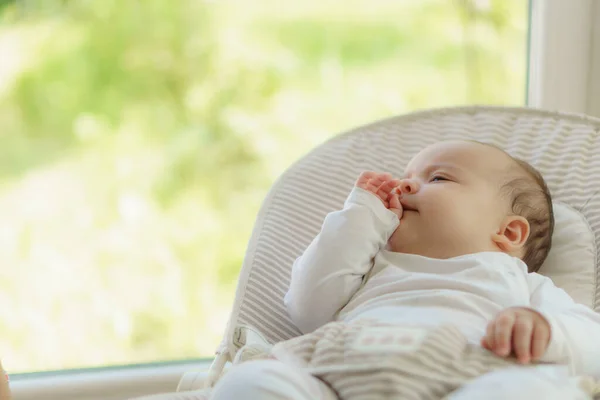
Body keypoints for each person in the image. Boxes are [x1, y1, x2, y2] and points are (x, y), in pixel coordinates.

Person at [211, 140, 600, 400]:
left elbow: (592, 341)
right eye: (406, 178)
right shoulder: (368, 267)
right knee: (251, 383)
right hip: (342, 371)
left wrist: (545, 331)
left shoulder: (521, 285)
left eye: (437, 178)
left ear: (508, 232)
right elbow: (306, 306)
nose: (404, 187)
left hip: (466, 375)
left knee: (534, 390)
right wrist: (362, 216)